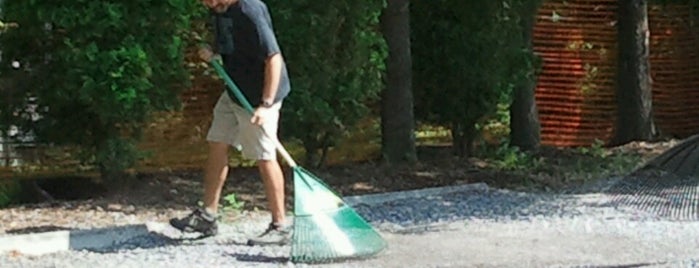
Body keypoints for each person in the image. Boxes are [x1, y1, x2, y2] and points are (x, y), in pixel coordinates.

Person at [170, 0, 291, 246]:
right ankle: (208, 216)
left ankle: (280, 226)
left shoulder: (250, 10)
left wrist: (266, 105)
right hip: (234, 91)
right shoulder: (219, 9)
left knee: (265, 156)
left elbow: (273, 57)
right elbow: (235, 47)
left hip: (258, 97)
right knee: (217, 142)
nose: (204, 3)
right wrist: (215, 54)